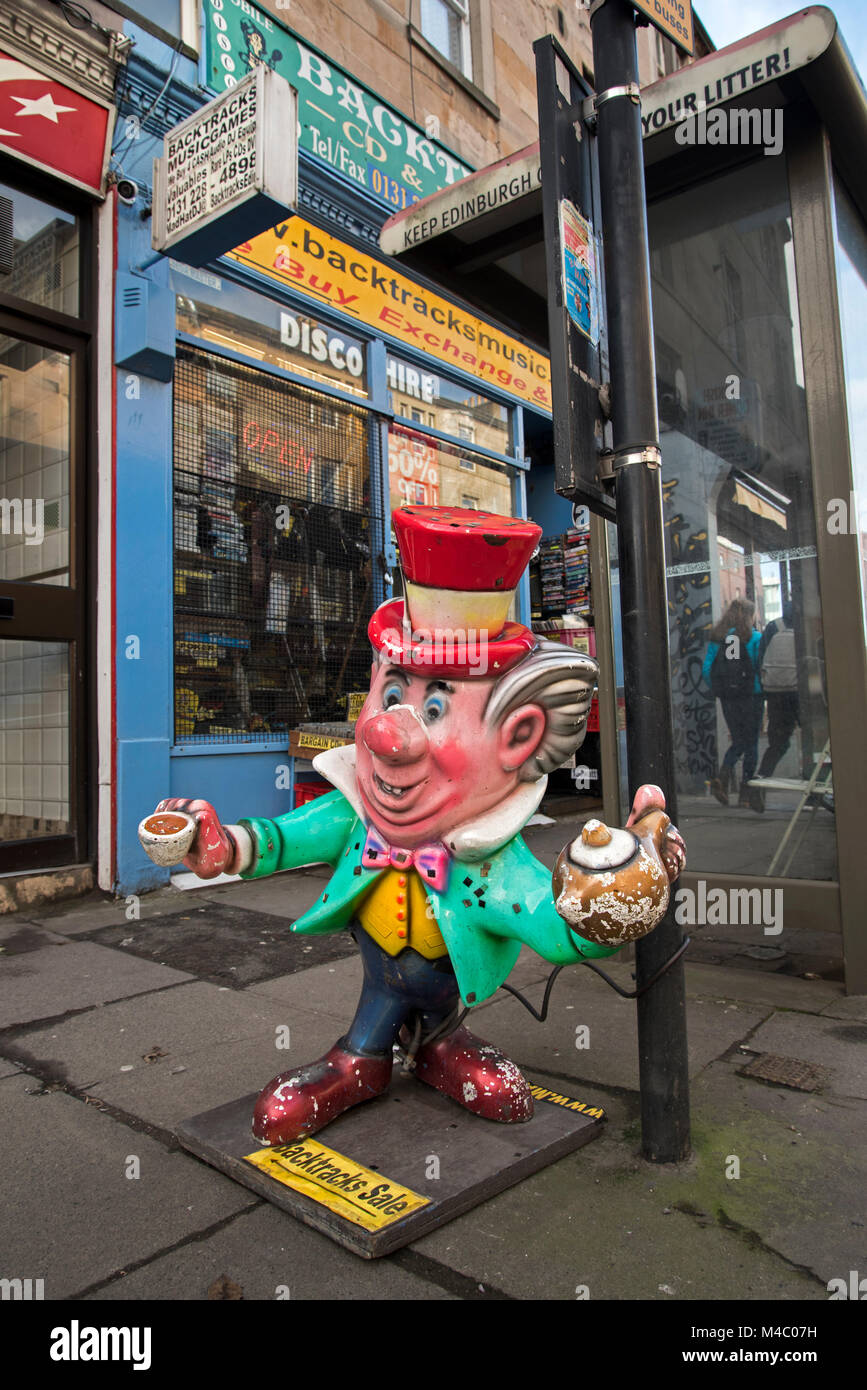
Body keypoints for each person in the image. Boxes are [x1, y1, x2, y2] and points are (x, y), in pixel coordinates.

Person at [145, 506, 685, 1146]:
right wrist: (217, 845)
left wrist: (616, 895)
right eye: (393, 693)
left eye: (436, 707)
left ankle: (438, 1044)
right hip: (381, 976)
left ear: (520, 736)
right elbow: (283, 839)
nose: (385, 733)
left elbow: (555, 927)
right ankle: (365, 1058)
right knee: (373, 1016)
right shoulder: (356, 813)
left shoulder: (490, 864)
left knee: (448, 1035)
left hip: (443, 982)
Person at [703, 597, 764, 813]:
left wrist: (723, 691)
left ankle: (723, 776)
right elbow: (760, 667)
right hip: (752, 696)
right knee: (751, 743)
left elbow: (707, 669)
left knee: (738, 739)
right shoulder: (754, 638)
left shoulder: (719, 638)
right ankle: (746, 793)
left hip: (729, 698)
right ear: (749, 616)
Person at [752, 603, 800, 807]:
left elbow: (758, 660)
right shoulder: (804, 626)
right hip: (799, 691)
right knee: (815, 741)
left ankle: (758, 784)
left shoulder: (771, 628)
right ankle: (815, 791)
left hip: (775, 693)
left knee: (777, 743)